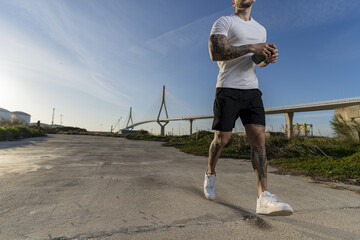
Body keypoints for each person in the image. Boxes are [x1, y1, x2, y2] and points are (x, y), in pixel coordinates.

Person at [204, 0, 293, 216]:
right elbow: (216, 52)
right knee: (222, 139)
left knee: (258, 138)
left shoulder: (260, 29)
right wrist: (253, 47)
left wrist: (267, 59)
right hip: (227, 88)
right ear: (233, 1)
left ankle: (263, 196)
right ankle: (210, 174)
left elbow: (256, 61)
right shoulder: (224, 22)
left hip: (252, 90)